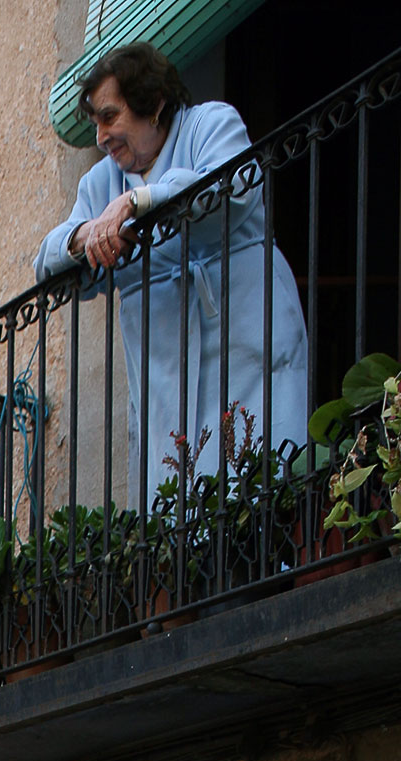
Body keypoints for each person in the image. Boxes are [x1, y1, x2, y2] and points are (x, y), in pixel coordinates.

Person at [35, 41, 308, 503]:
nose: (101, 136)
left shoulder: (211, 124)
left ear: (154, 103)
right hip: (164, 361)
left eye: (109, 117)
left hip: (244, 329)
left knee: (260, 468)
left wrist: (138, 202)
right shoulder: (99, 182)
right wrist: (87, 236)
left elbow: (232, 186)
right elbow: (47, 262)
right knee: (179, 490)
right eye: (96, 122)